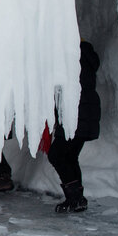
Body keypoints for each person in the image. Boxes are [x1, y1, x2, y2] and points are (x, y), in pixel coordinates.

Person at [42, 40, 101, 213]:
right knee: (70, 155)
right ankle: (77, 199)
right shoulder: (86, 56)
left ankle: (75, 198)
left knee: (57, 154)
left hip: (75, 112)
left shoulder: (70, 54)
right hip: (87, 111)